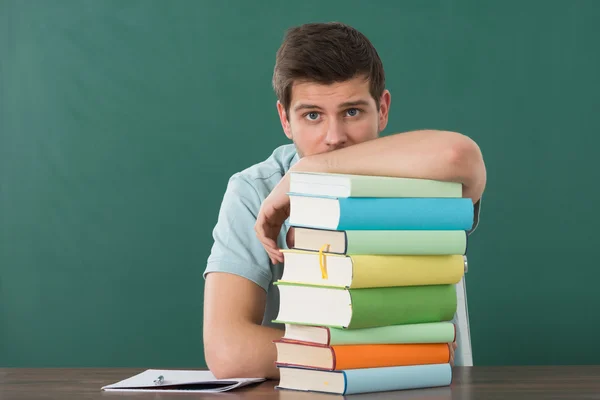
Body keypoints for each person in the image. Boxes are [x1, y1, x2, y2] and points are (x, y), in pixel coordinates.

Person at [202, 22, 486, 379]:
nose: (334, 137)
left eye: (352, 112)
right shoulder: (255, 190)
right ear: (284, 120)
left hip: (422, 387)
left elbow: (459, 155)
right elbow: (229, 349)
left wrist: (312, 169)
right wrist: (378, 355)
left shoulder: (420, 170)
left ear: (382, 109)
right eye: (312, 115)